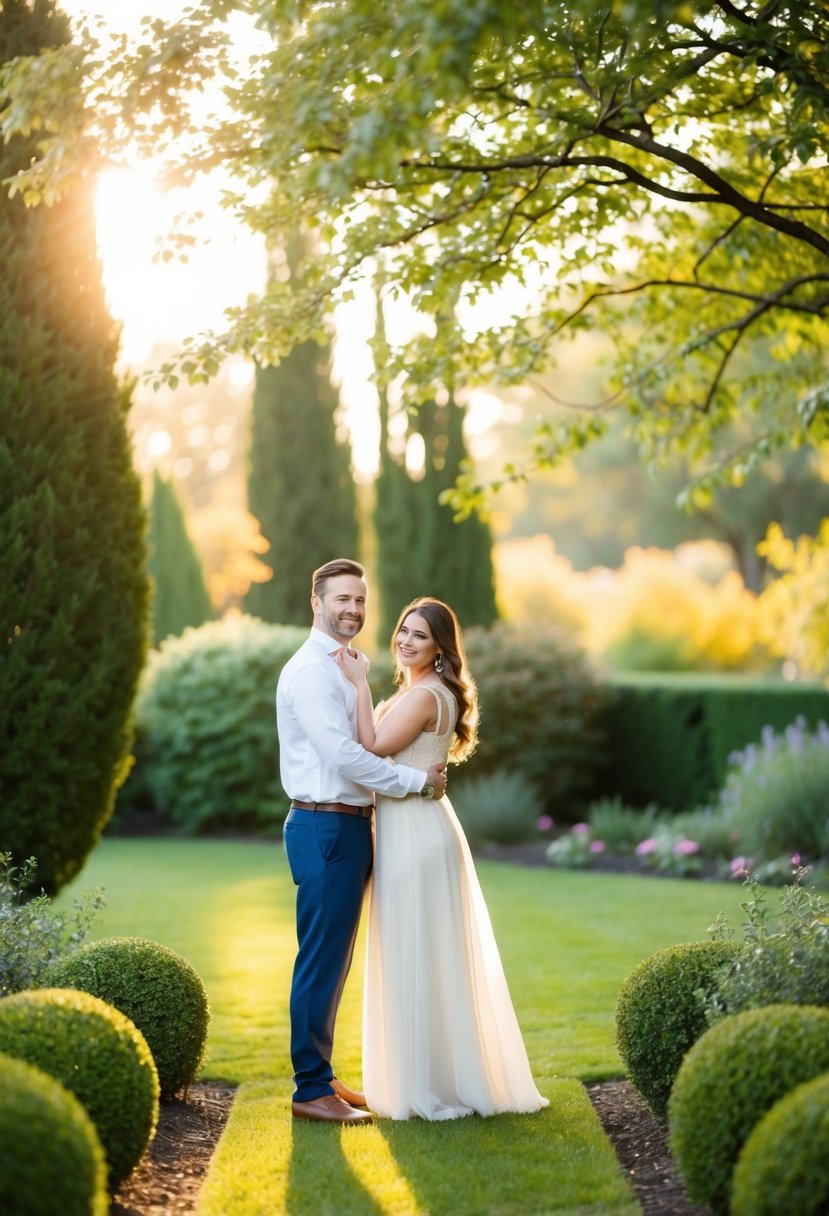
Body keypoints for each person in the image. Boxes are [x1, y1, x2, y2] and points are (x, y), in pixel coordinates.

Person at [336, 596, 549, 1121]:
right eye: (403, 631)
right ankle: (422, 1079)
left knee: (415, 952)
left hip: (414, 835)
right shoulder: (430, 691)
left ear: (439, 648)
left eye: (420, 636)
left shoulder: (424, 695)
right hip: (421, 826)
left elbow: (370, 744)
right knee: (428, 956)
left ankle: (420, 1088)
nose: (406, 640)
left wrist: (359, 683)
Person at [276, 559, 448, 1125]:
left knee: (334, 959)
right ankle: (308, 1090)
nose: (353, 609)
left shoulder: (341, 667)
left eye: (360, 600)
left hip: (348, 826)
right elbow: (346, 755)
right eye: (342, 599)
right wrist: (415, 782)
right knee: (321, 961)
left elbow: (366, 739)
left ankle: (321, 1077)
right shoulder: (310, 672)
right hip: (325, 826)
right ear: (316, 603)